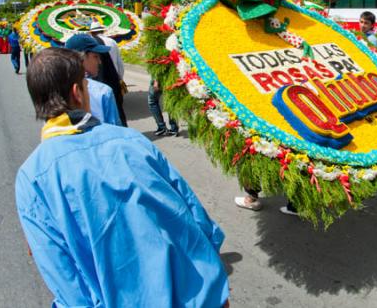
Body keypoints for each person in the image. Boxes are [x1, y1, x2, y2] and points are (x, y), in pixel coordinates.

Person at [16, 47, 229, 307]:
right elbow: (193, 212)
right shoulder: (130, 140)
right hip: (196, 295)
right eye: (86, 84)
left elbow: (59, 270)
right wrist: (213, 276)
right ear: (77, 92)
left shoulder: (32, 177)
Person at [65, 34, 122, 126]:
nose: (99, 62)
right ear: (82, 58)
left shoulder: (56, 89)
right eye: (95, 56)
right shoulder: (103, 92)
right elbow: (115, 128)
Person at [87, 22, 127, 126]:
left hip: (99, 79)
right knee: (118, 109)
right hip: (113, 79)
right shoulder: (112, 42)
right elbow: (119, 64)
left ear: (92, 32)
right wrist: (120, 79)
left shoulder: (92, 42)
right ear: (103, 30)